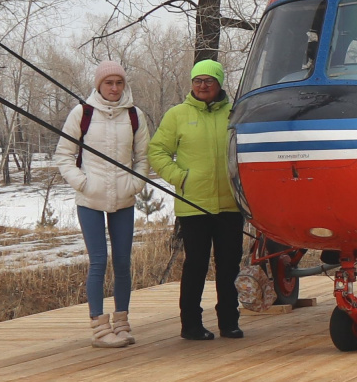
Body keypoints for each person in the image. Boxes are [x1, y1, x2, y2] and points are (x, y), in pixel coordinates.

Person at [56, 59, 148, 348]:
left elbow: (144, 157)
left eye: (119, 82)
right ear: (99, 85)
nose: (114, 88)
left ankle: (122, 324)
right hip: (90, 199)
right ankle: (99, 328)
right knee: (98, 262)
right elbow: (63, 155)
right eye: (109, 83)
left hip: (124, 197)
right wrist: (83, 183)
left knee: (122, 262)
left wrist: (135, 183)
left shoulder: (134, 115)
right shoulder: (82, 113)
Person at [151, 57, 244, 341]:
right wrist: (181, 178)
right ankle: (190, 324)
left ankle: (229, 322)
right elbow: (157, 152)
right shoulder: (177, 114)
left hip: (230, 203)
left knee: (229, 265)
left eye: (209, 81)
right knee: (196, 265)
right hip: (194, 205)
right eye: (198, 81)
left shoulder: (235, 112)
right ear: (192, 84)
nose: (203, 86)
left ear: (219, 84)